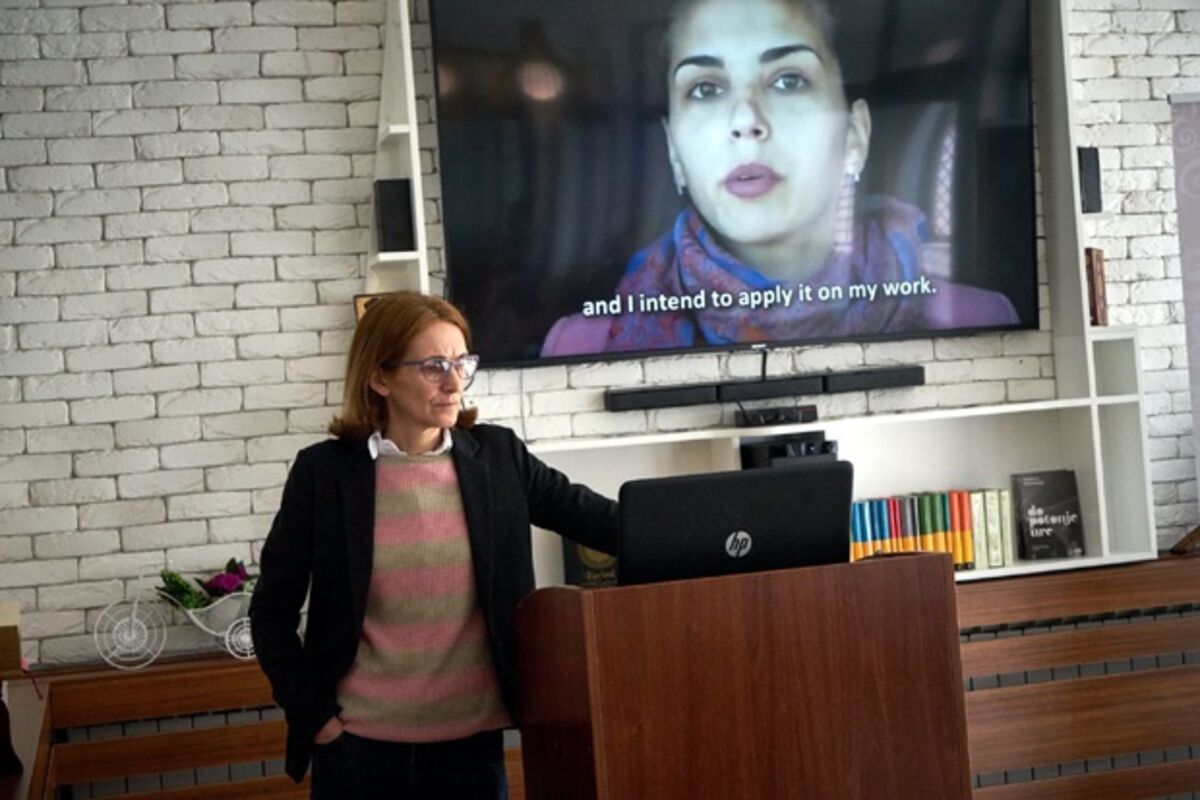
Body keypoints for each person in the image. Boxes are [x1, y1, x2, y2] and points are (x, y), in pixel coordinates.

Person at [249, 292, 618, 798]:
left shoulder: (499, 458)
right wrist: (317, 720)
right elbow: (271, 611)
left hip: (472, 752)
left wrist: (708, 534)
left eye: (462, 363)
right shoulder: (324, 474)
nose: (454, 383)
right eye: (434, 367)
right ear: (380, 378)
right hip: (356, 752)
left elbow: (601, 522)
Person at [541, 0, 1018, 357]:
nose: (746, 120)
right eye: (705, 88)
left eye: (788, 80)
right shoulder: (582, 345)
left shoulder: (976, 323)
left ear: (854, 135)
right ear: (674, 153)